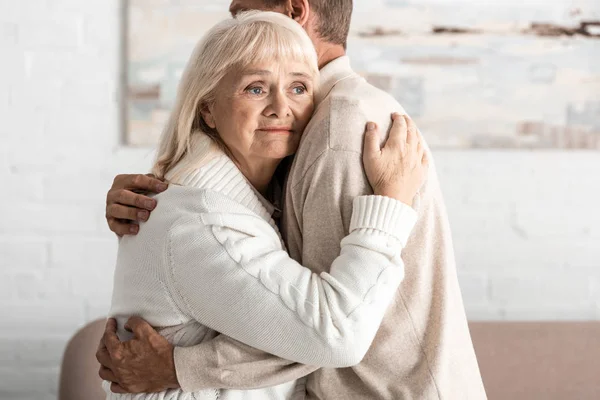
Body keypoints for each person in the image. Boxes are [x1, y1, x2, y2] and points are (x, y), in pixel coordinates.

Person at [84, 0, 487, 399]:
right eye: (256, 88)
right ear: (208, 107)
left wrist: (178, 366)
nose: (281, 106)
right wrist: (167, 192)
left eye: (244, 11)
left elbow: (330, 325)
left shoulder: (341, 128)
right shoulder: (301, 134)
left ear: (294, 11)